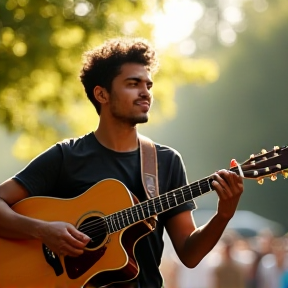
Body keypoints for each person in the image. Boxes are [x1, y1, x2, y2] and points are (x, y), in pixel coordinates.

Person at [0, 37, 244, 288]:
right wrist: (43, 230)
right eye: (133, 83)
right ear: (101, 93)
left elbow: (189, 254)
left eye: (148, 85)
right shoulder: (66, 156)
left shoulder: (165, 161)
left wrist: (223, 215)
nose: (145, 92)